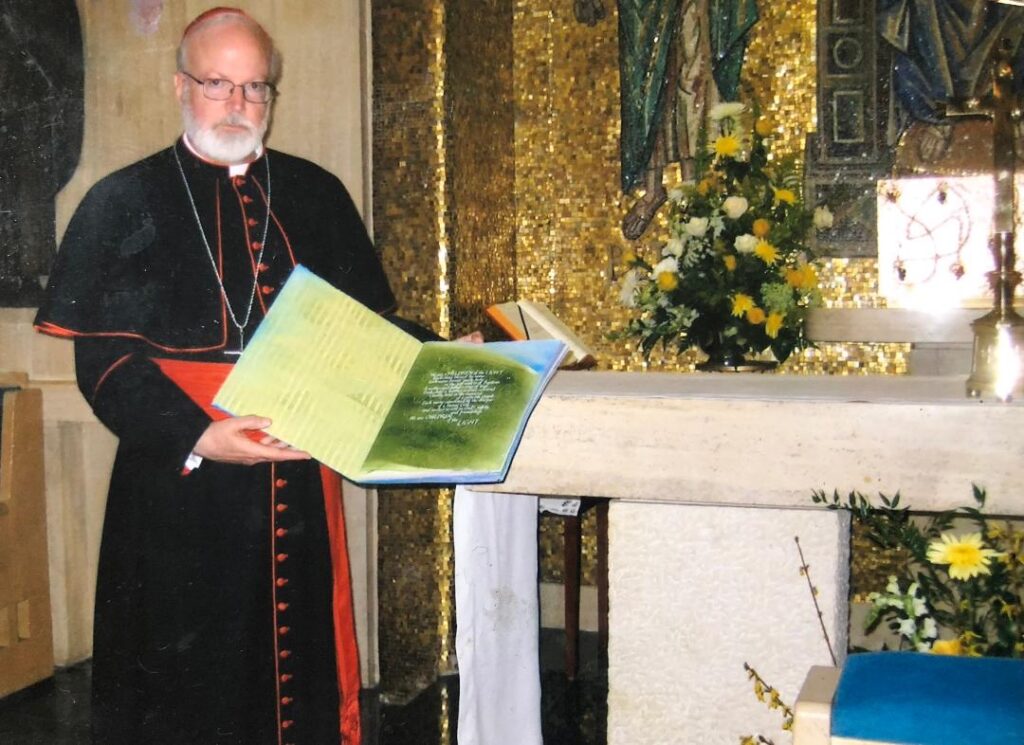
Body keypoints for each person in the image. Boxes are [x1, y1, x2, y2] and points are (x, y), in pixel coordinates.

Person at [34, 8, 434, 744]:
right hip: (177, 483)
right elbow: (106, 364)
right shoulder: (123, 200)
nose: (240, 105)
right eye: (219, 84)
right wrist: (201, 435)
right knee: (186, 681)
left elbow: (363, 333)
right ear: (180, 85)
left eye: (256, 88)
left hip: (297, 466)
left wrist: (438, 353)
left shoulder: (315, 193)